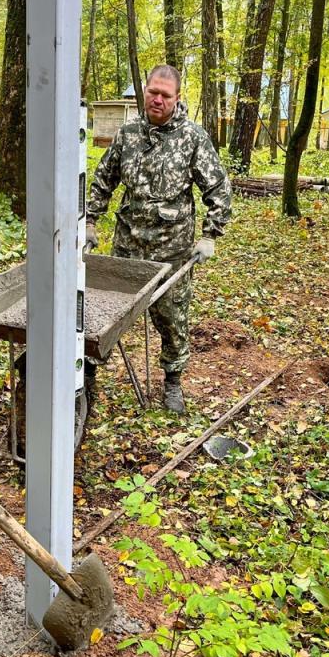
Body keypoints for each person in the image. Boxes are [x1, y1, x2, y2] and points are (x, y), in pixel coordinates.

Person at [86, 65, 231, 414]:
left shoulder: (193, 138)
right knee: (103, 315)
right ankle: (87, 374)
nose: (158, 99)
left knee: (171, 320)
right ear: (145, 91)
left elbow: (219, 188)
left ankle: (172, 384)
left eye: (166, 95)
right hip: (127, 247)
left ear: (177, 99)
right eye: (153, 92)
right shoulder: (129, 133)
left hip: (172, 251)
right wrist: (89, 220)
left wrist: (210, 233)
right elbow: (104, 179)